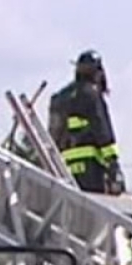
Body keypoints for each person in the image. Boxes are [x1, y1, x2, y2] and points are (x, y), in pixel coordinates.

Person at [48, 49, 124, 196]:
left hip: (64, 167)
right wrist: (113, 163)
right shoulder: (91, 95)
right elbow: (102, 131)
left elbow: (52, 135)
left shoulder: (59, 98)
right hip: (90, 168)